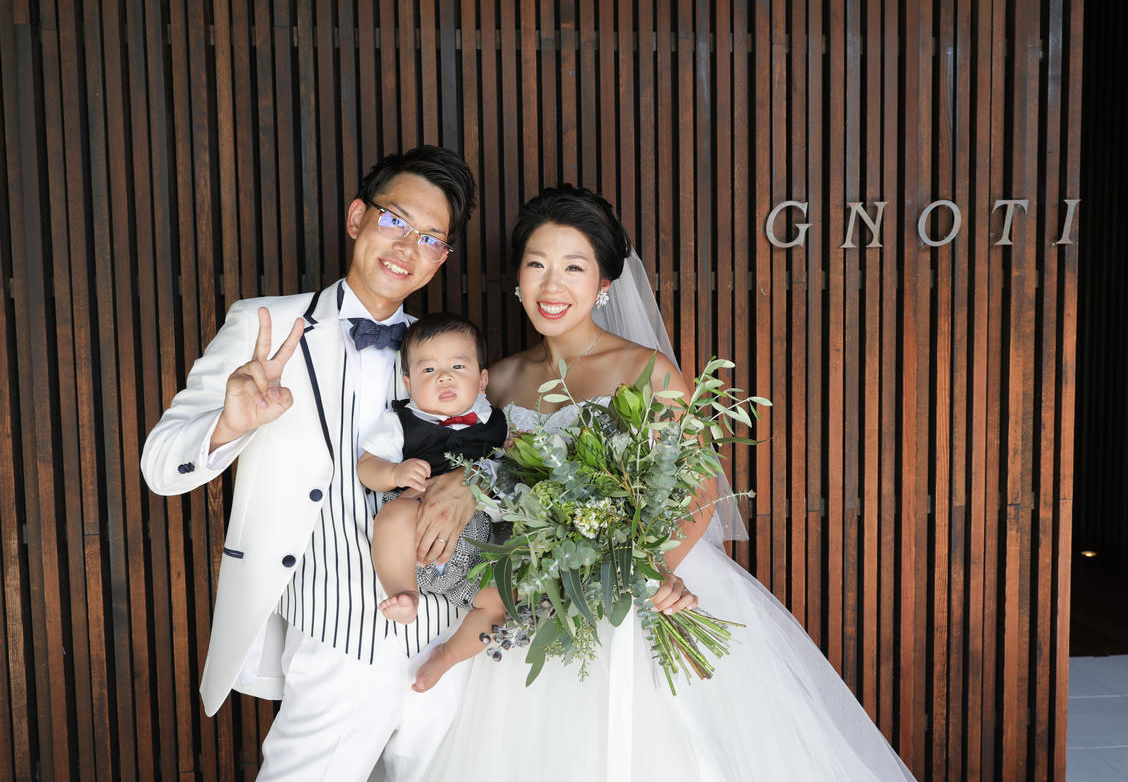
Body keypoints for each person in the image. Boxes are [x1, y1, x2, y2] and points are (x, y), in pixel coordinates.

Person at [425, 184, 918, 781]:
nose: (552, 286)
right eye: (537, 265)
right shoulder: (497, 380)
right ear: (517, 278)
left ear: (604, 283)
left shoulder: (646, 369)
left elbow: (699, 487)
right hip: (536, 591)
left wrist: (651, 571)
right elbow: (486, 478)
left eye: (574, 267)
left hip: (643, 580)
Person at [140, 145, 483, 780]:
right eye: (395, 220)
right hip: (336, 627)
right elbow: (160, 466)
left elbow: (500, 451)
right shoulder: (265, 324)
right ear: (356, 217)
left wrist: (471, 480)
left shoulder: (444, 350)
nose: (407, 246)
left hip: (449, 629)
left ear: (442, 257)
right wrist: (232, 423)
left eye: (431, 238)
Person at [357, 312, 509, 692]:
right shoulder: (401, 422)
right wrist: (394, 473)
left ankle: (448, 655)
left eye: (458, 366)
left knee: (500, 601)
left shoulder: (496, 422)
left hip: (473, 558)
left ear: (482, 380)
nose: (444, 377)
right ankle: (404, 593)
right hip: (412, 543)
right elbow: (367, 467)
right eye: (429, 370)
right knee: (394, 513)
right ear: (409, 383)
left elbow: (511, 471)